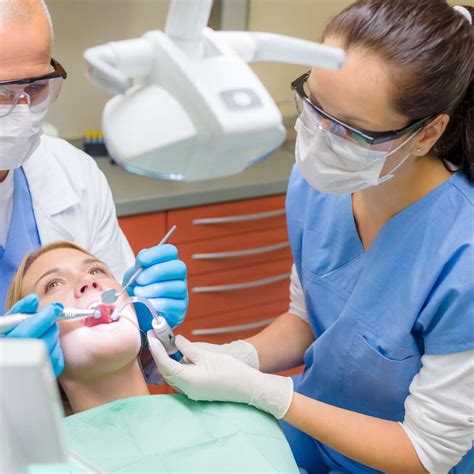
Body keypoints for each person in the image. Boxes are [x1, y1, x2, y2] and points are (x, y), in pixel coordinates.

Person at [148, 1, 474, 473]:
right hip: (310, 437)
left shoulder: (461, 253)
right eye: (314, 104)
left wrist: (265, 391)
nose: (320, 138)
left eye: (352, 130)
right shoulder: (320, 184)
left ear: (427, 134)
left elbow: (426, 452)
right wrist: (239, 356)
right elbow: (310, 317)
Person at [0, 0, 188, 377]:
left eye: (35, 88)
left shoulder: (74, 174)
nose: (21, 109)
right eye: (1, 92)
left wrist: (148, 328)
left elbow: (122, 348)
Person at [6, 241, 151, 413]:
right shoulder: (36, 440)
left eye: (96, 271)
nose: (88, 280)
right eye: (54, 284)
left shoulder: (191, 391)